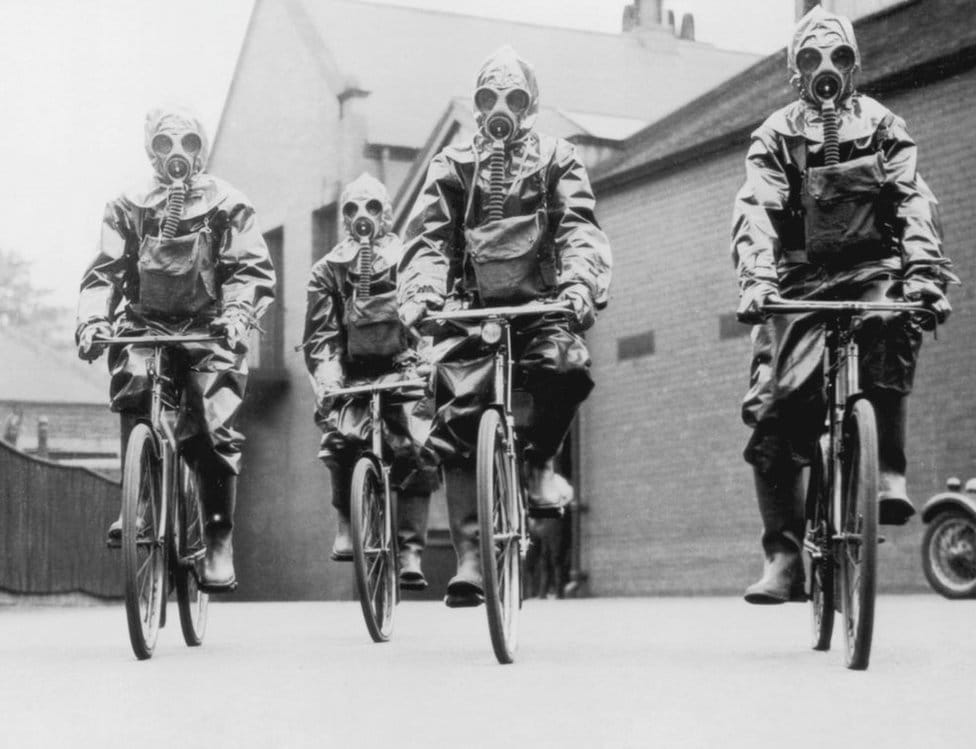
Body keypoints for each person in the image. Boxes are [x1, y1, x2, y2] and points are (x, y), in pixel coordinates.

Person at [731, 7, 956, 604]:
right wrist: (756, 279)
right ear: (793, 70)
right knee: (775, 402)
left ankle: (885, 471)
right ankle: (784, 555)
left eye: (838, 59)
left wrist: (924, 274)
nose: (825, 70)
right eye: (811, 59)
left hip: (870, 272)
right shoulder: (777, 133)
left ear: (854, 66)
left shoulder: (883, 125)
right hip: (800, 282)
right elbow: (755, 207)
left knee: (891, 320)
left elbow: (912, 198)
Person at [398, 45, 612, 607]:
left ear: (530, 105)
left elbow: (578, 229)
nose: (500, 108)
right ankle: (472, 553)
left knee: (564, 366)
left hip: (541, 309)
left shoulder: (556, 157)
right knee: (457, 409)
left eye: (512, 98)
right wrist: (422, 292)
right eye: (488, 98)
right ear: (475, 105)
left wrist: (579, 285)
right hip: (471, 313)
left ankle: (540, 461)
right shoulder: (452, 165)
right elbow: (428, 240)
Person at [76, 105, 276, 593]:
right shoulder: (128, 204)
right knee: (134, 384)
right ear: (151, 151)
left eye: (188, 143)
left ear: (201, 149)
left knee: (212, 419)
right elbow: (104, 271)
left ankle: (217, 534)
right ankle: (140, 503)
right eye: (166, 145)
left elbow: (249, 270)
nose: (177, 155)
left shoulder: (229, 202)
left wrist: (236, 316)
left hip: (209, 327)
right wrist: (93, 320)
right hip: (147, 323)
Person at [303, 173, 439, 590]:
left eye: (372, 208)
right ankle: (347, 520)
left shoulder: (409, 259)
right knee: (341, 438)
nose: (362, 217)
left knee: (417, 443)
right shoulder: (328, 270)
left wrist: (424, 363)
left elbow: (428, 320)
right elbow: (321, 335)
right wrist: (329, 379)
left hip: (403, 367)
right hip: (353, 374)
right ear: (344, 217)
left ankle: (411, 547)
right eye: (353, 209)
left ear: (387, 214)